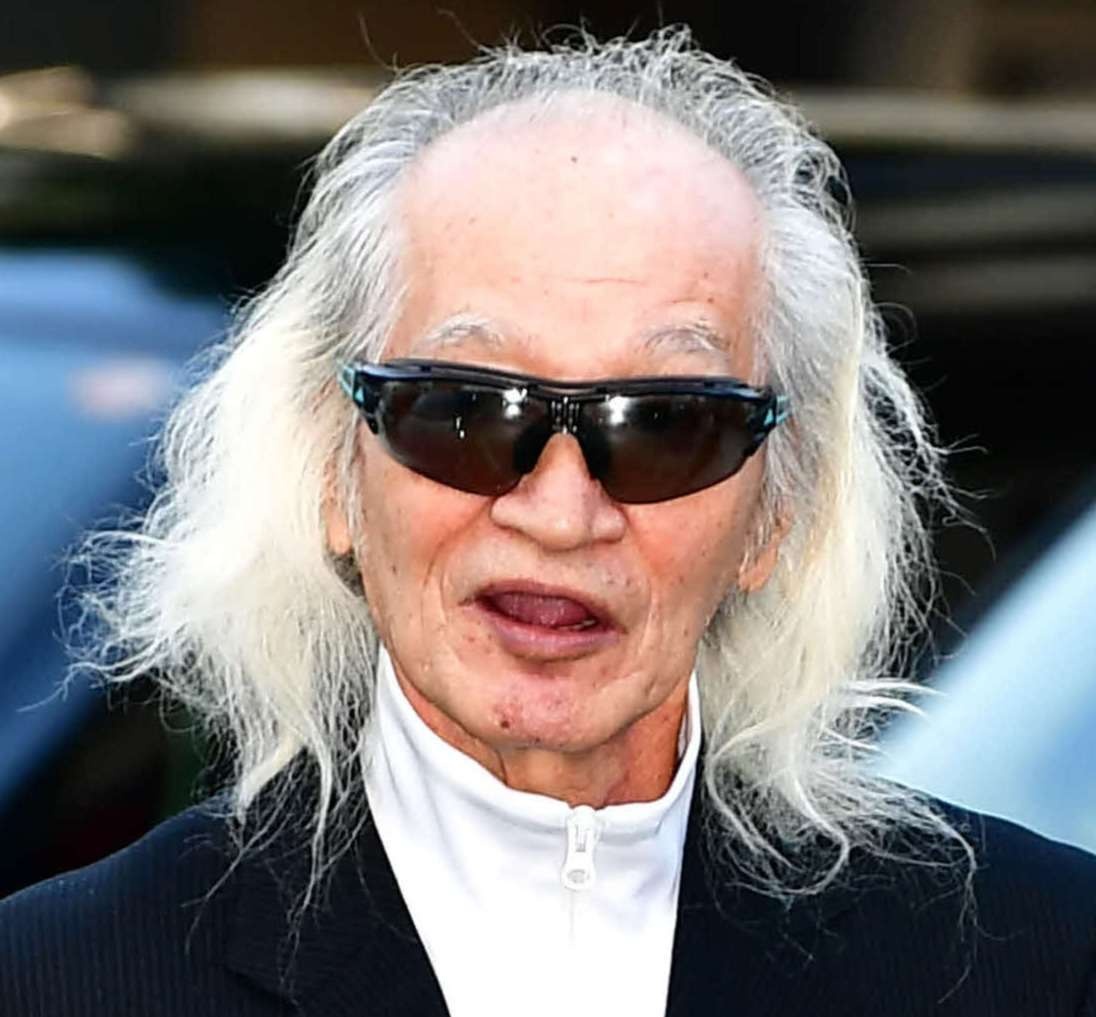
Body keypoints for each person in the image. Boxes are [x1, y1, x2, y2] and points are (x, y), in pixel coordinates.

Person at [2, 28, 1094, 1017]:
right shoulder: (60, 980)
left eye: (665, 423)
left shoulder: (1037, 964)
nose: (562, 515)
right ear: (333, 471)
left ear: (780, 510)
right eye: (466, 410)